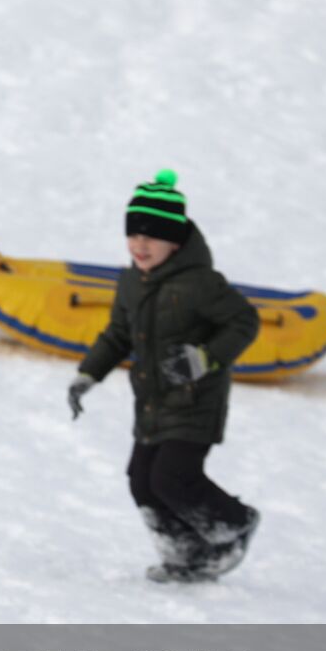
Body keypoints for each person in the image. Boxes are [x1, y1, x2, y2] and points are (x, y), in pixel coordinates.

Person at [68, 170, 261, 583]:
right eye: (133, 236)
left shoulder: (200, 284)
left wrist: (205, 358)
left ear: (175, 241)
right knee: (142, 481)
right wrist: (89, 374)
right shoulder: (130, 283)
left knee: (172, 476)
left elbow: (244, 322)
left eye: (151, 237)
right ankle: (183, 552)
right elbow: (118, 334)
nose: (140, 245)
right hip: (152, 401)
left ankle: (232, 524)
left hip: (196, 399)